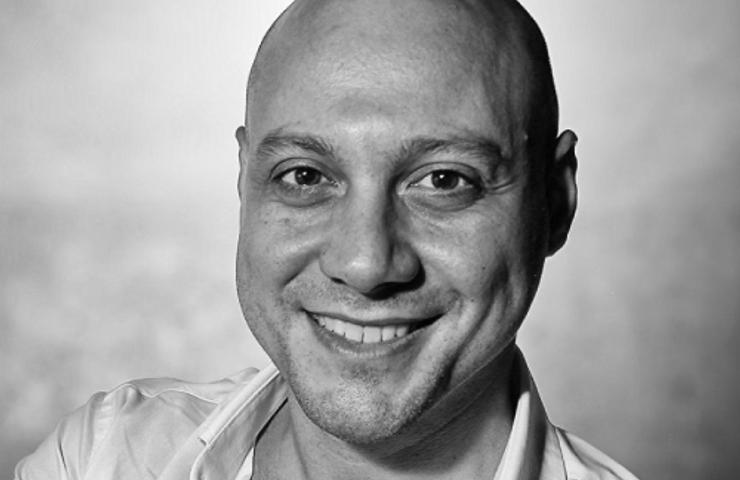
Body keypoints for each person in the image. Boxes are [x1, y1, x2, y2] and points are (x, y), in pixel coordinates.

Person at [15, 0, 639, 478]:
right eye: (305, 176)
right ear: (245, 182)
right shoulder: (102, 457)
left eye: (445, 180)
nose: (365, 262)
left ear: (554, 203)